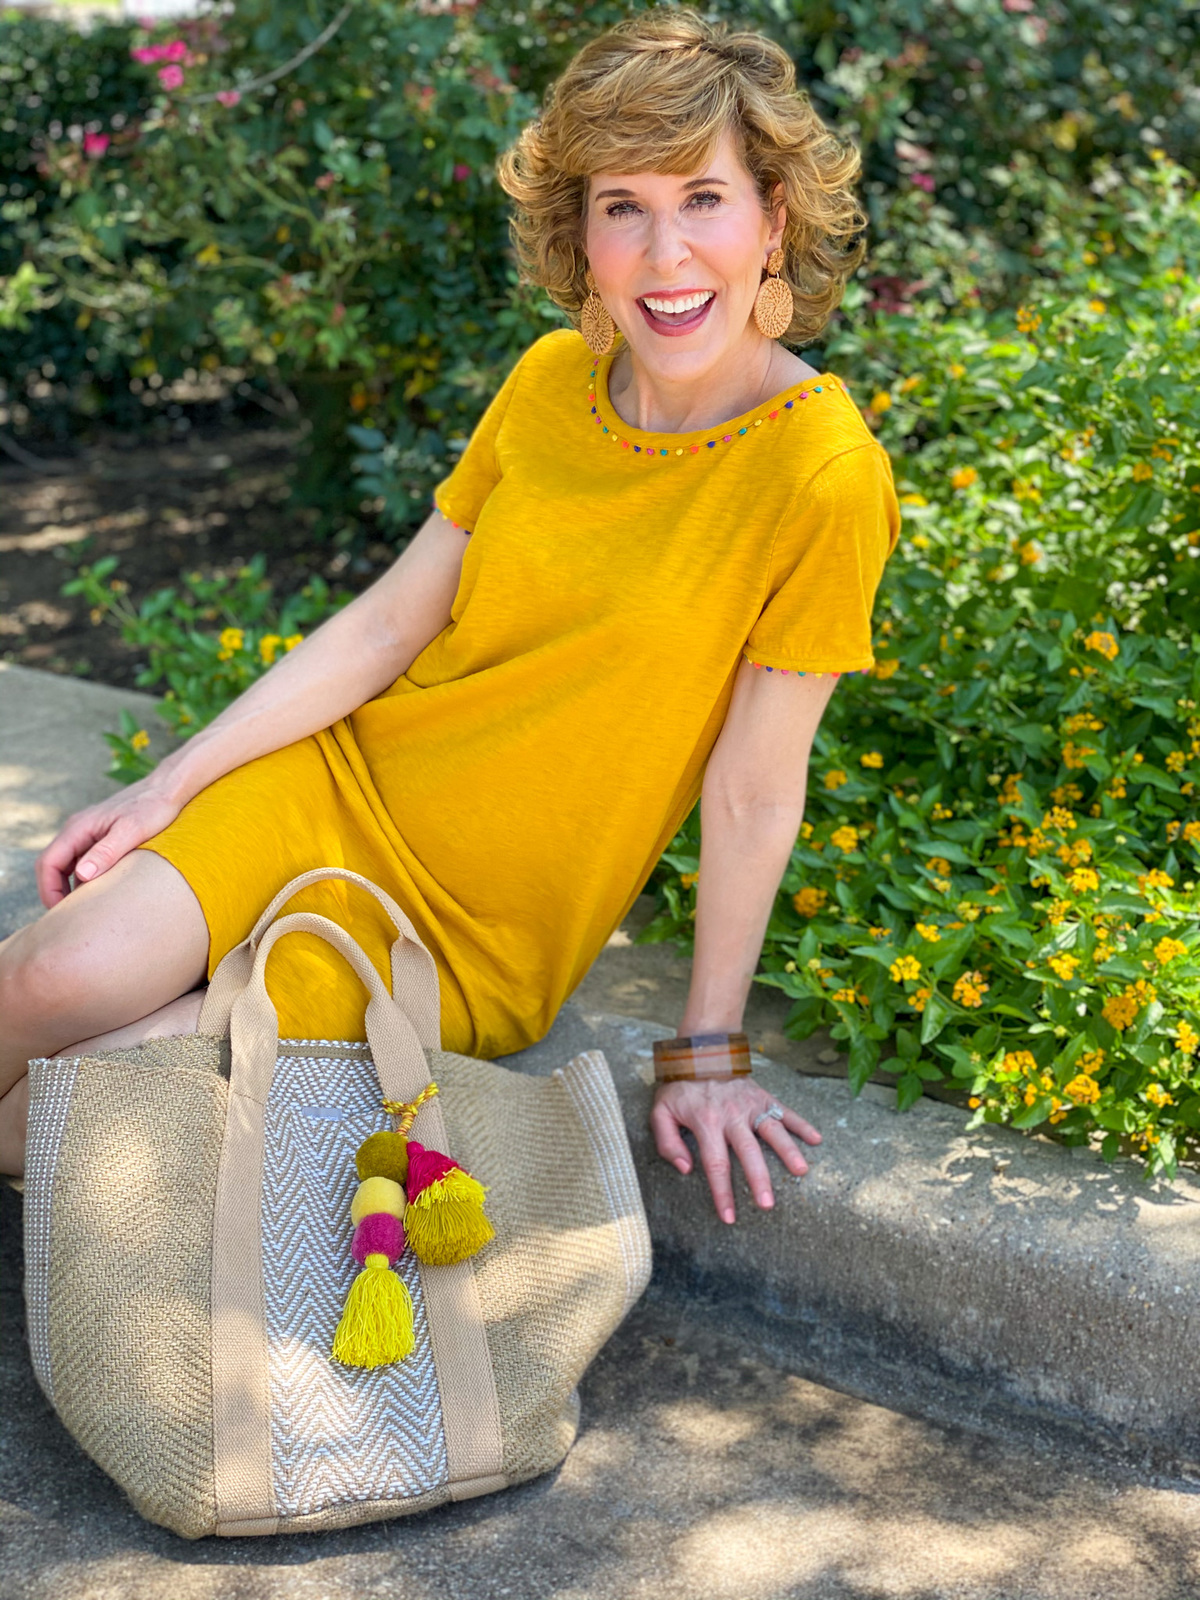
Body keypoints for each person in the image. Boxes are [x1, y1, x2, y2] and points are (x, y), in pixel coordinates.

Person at [0, 8, 900, 1224]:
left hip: (474, 939)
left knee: (85, 1096)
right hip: (341, 789)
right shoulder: (545, 387)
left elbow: (752, 784)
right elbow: (386, 628)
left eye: (704, 198)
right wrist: (168, 784)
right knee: (58, 971)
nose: (666, 252)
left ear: (774, 220)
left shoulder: (824, 475)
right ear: (581, 238)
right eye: (622, 206)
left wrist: (705, 1047)